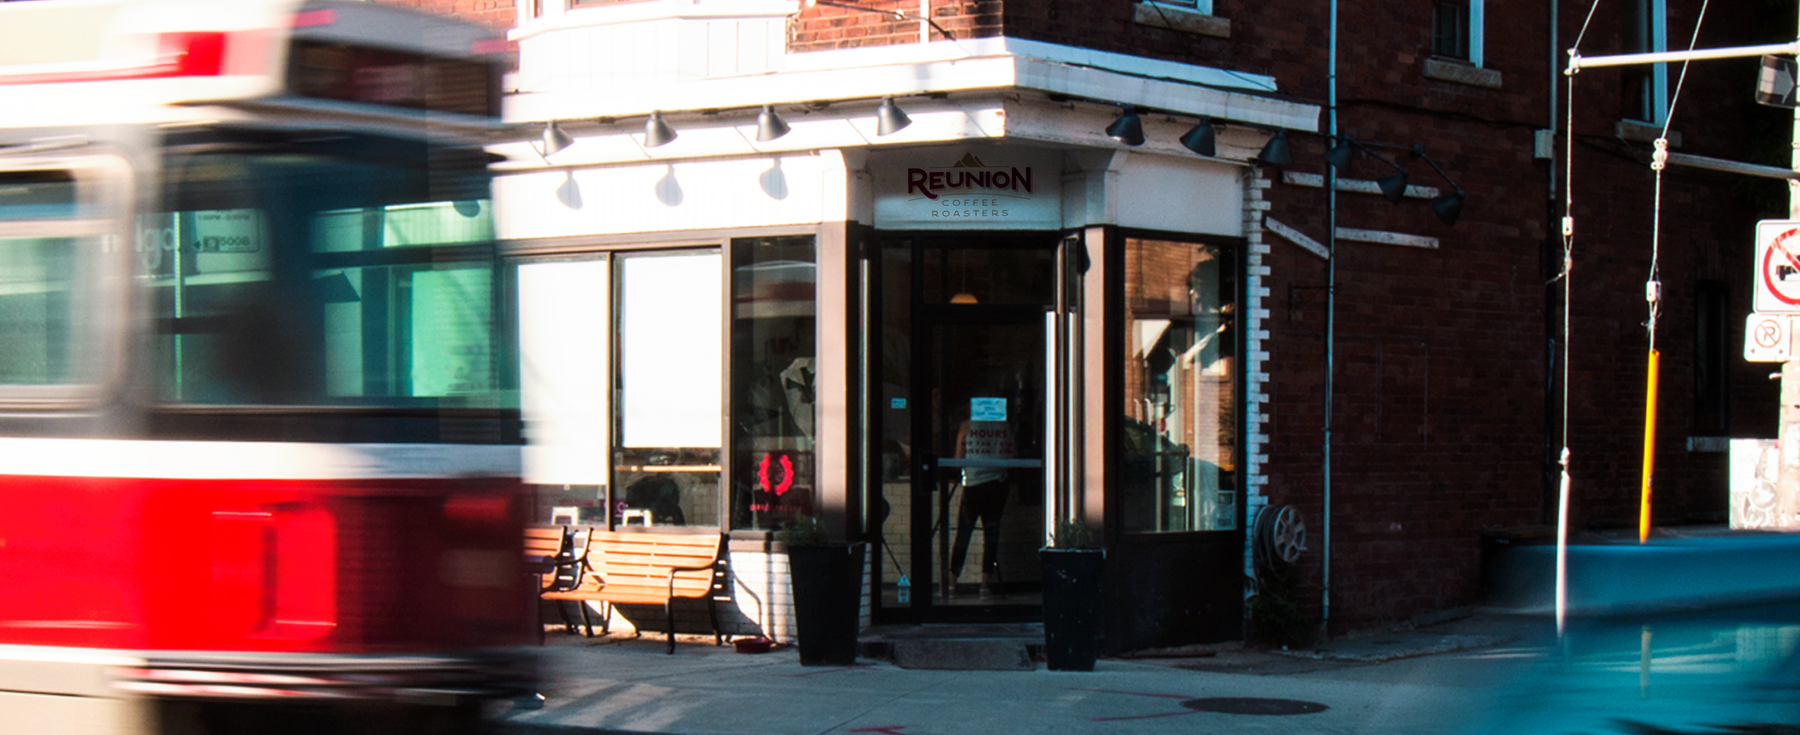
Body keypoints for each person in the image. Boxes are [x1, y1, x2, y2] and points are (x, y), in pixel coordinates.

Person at [950, 397, 1016, 600]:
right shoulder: (1005, 427)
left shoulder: (967, 426)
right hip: (997, 484)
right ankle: (985, 584)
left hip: (973, 484)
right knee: (992, 534)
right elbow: (1012, 456)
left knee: (964, 532)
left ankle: (952, 582)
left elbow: (958, 459)